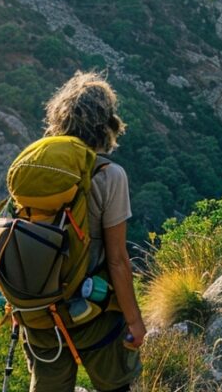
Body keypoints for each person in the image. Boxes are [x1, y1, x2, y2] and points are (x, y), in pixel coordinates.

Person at [24, 71, 146, 392]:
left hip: (39, 315)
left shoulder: (36, 170)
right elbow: (118, 260)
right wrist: (135, 321)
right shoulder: (109, 175)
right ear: (105, 124)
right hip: (93, 313)